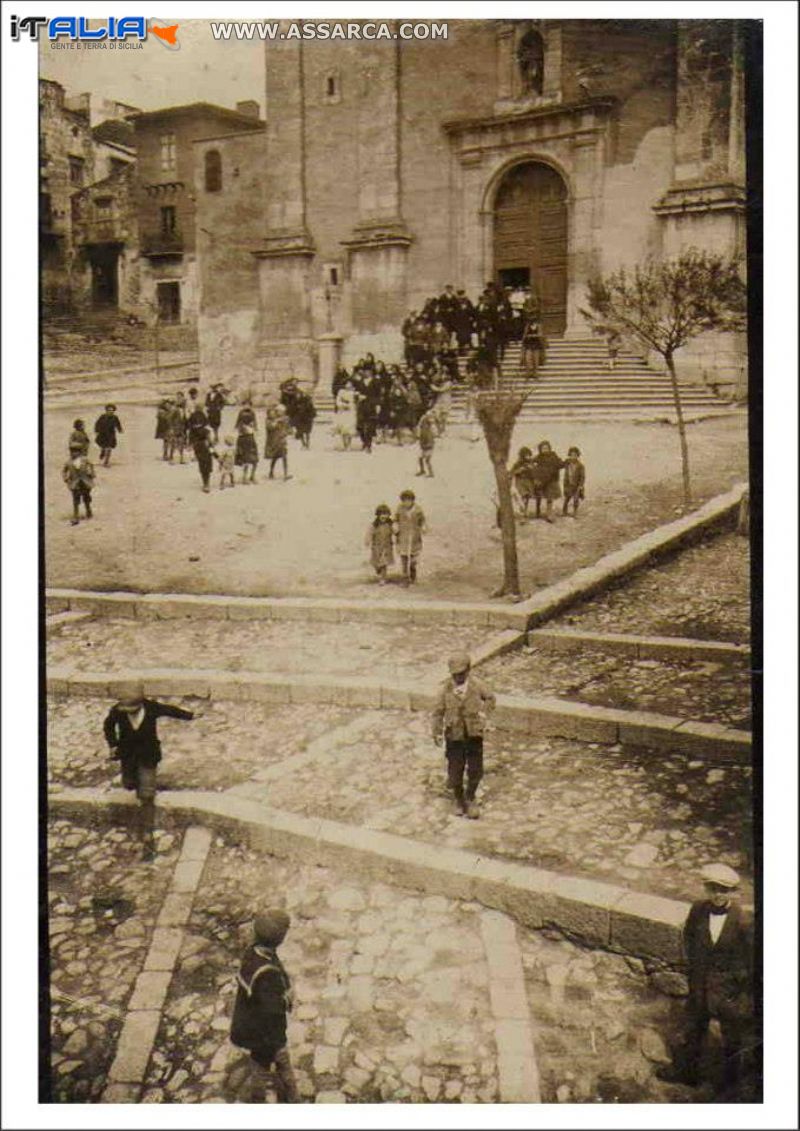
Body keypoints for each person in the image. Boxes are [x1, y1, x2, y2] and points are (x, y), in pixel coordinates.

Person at [657, 864, 756, 1098]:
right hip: (700, 984)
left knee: (732, 1038)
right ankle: (686, 1073)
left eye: (723, 890)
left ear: (732, 892)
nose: (717, 894)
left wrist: (736, 986)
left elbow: (751, 960)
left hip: (729, 990)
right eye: (712, 888)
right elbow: (689, 938)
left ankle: (729, 1084)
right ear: (706, 888)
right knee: (693, 1028)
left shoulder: (743, 921)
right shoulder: (698, 909)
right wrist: (695, 971)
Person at [103, 683, 196, 859]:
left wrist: (190, 716)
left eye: (132, 708)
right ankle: (135, 785)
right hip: (128, 756)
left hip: (148, 756)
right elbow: (108, 727)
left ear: (141, 702)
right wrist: (113, 744)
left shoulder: (152, 708)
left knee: (146, 793)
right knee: (129, 784)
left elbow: (170, 710)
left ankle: (147, 834)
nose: (129, 712)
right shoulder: (117, 711)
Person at [230, 909, 299, 1103]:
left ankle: (260, 1095)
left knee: (258, 1063)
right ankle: (289, 1099)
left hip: (249, 1024)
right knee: (278, 1063)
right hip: (267, 1033)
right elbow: (273, 1010)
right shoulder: (266, 973)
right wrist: (287, 997)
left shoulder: (253, 952)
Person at [432, 653, 496, 819]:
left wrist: (483, 714)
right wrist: (436, 732)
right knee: (455, 770)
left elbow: (490, 698)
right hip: (454, 736)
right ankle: (459, 799)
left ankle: (470, 797)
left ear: (468, 670)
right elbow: (438, 712)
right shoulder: (445, 689)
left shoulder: (477, 685)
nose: (458, 677)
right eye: (454, 674)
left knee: (476, 769)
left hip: (474, 734)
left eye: (461, 673)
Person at [394, 489, 427, 586]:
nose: (406, 502)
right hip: (403, 537)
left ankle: (413, 574)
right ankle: (405, 578)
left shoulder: (418, 510)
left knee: (413, 559)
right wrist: (395, 527)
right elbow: (395, 519)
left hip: (414, 537)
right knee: (404, 558)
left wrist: (423, 527)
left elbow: (422, 520)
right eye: (404, 500)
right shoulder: (399, 509)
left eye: (409, 500)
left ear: (413, 500)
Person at [531, 440, 564, 522]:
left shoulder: (553, 456)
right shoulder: (538, 457)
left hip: (551, 480)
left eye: (546, 448)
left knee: (550, 497)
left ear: (549, 448)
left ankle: (549, 514)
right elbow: (531, 463)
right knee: (538, 496)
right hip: (541, 480)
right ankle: (537, 511)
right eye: (543, 448)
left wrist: (562, 464)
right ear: (540, 450)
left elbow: (560, 463)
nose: (545, 450)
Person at [62, 444, 95, 526]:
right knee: (75, 499)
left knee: (86, 497)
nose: (73, 454)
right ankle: (75, 514)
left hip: (85, 482)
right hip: (75, 483)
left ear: (80, 452)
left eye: (75, 452)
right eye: (72, 452)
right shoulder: (69, 462)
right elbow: (64, 471)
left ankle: (88, 510)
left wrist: (91, 473)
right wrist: (65, 478)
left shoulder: (85, 460)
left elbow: (91, 466)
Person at [365, 503, 395, 585]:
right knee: (376, 563)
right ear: (378, 515)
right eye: (381, 514)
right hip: (376, 547)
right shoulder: (374, 525)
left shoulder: (390, 524)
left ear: (388, 515)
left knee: (384, 563)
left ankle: (383, 579)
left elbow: (395, 531)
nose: (383, 516)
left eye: (385, 514)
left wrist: (397, 532)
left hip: (387, 547)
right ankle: (378, 569)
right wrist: (367, 540)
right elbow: (369, 533)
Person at [188, 408, 215, 493]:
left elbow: (190, 442)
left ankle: (206, 483)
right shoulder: (205, 430)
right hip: (202, 449)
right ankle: (206, 483)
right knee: (205, 466)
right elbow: (210, 442)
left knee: (204, 466)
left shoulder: (195, 431)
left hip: (201, 448)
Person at [265, 404, 292, 481]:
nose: (282, 413)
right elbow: (270, 427)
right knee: (275, 458)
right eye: (280, 412)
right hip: (274, 441)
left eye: (283, 412)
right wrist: (277, 421)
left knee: (284, 457)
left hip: (282, 441)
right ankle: (271, 471)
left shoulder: (285, 419)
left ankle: (286, 474)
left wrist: (287, 432)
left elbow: (288, 429)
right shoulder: (271, 419)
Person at [234, 400, 259, 484]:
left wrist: (254, 427)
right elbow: (237, 425)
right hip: (243, 439)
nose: (246, 406)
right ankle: (244, 477)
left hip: (251, 438)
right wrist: (243, 428)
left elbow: (255, 425)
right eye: (245, 405)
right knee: (245, 460)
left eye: (248, 405)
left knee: (254, 459)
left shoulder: (252, 413)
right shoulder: (241, 414)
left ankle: (252, 475)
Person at [509, 446, 537, 519]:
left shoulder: (531, 462)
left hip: (529, 482)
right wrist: (519, 470)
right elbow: (511, 473)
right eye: (525, 455)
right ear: (522, 456)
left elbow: (535, 471)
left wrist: (532, 469)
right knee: (523, 496)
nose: (527, 456)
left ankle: (524, 511)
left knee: (527, 497)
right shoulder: (518, 463)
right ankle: (522, 512)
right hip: (520, 482)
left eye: (528, 455)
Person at [562, 446, 586, 517]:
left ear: (577, 456)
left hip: (577, 486)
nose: (573, 457)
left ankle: (575, 512)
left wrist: (581, 485)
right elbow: (560, 464)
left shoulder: (580, 466)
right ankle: (564, 511)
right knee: (567, 498)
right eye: (571, 455)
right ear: (569, 455)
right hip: (568, 485)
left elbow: (582, 477)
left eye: (575, 455)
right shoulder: (567, 464)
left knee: (576, 499)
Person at [415, 408, 436, 478]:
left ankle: (431, 473)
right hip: (424, 442)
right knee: (421, 458)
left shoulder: (429, 428)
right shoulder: (424, 421)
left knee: (427, 459)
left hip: (428, 443)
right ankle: (423, 470)